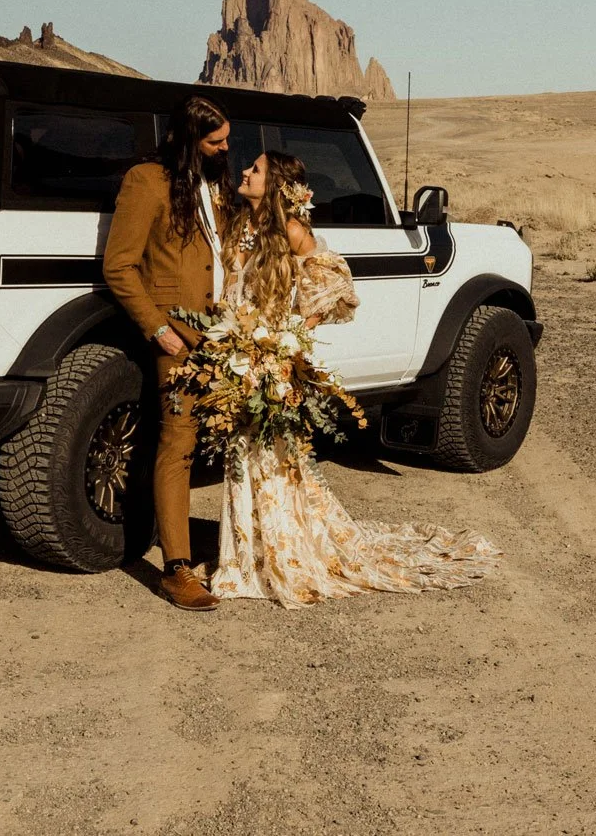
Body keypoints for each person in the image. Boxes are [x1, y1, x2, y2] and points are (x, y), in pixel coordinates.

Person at [207, 150, 499, 606]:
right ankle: (248, 556)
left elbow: (338, 286)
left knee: (267, 457)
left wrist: (290, 336)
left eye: (256, 169)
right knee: (242, 456)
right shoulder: (241, 225)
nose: (245, 171)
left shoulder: (292, 231)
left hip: (269, 363)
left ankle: (275, 556)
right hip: (240, 357)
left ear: (278, 186)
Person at [101, 96, 231, 612]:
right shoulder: (146, 181)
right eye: (216, 141)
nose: (226, 149)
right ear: (188, 140)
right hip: (177, 340)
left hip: (225, 336)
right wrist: (158, 329)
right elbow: (120, 265)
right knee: (177, 442)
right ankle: (176, 568)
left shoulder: (214, 184)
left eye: (227, 140)